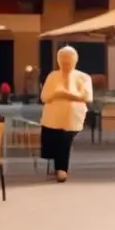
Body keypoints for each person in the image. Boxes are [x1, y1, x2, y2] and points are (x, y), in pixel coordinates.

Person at [39, 46, 93, 183]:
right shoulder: (53, 76)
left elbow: (87, 97)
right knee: (54, 139)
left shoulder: (83, 77)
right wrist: (56, 94)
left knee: (65, 138)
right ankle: (58, 167)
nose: (66, 63)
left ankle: (62, 169)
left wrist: (66, 94)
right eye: (63, 60)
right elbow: (44, 97)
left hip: (72, 116)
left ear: (75, 60)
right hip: (53, 116)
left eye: (69, 60)